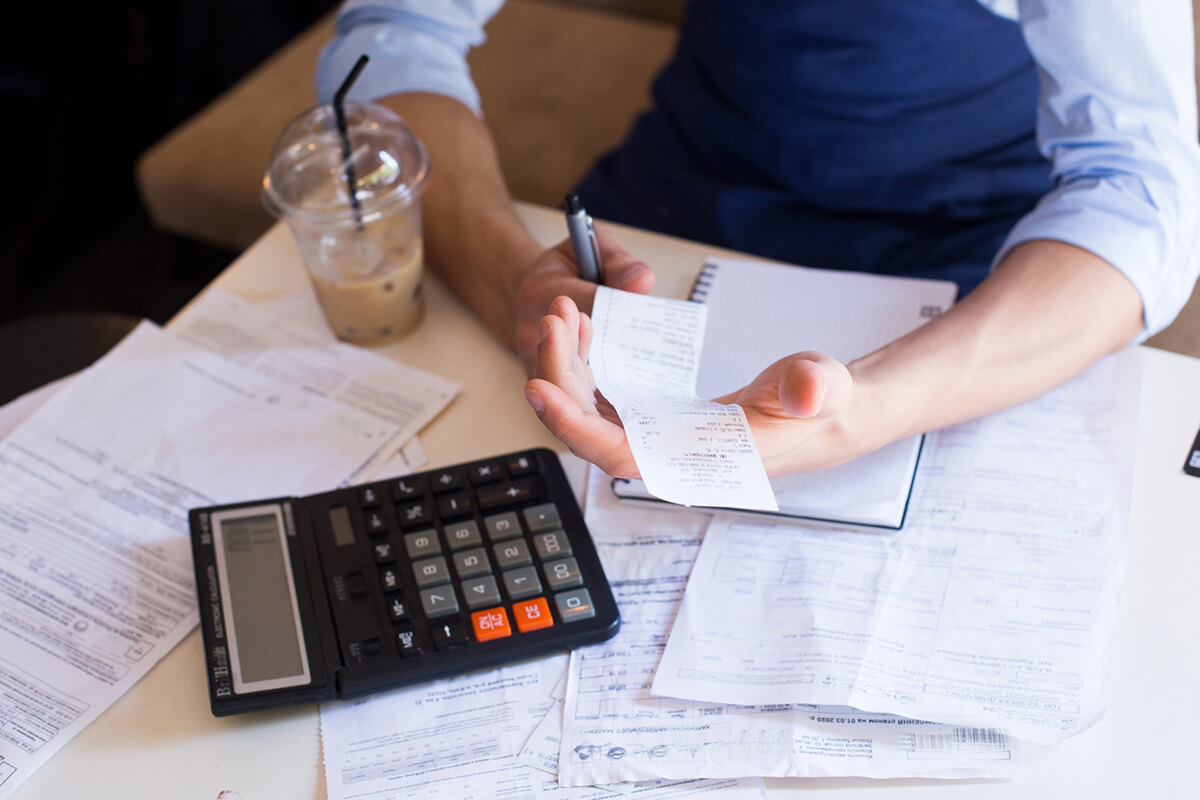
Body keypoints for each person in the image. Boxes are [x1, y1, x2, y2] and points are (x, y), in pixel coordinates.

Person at [317, 1, 1200, 479]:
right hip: (674, 215)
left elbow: (1141, 188)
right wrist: (511, 273)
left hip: (968, 275)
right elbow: (392, 37)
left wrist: (859, 416)